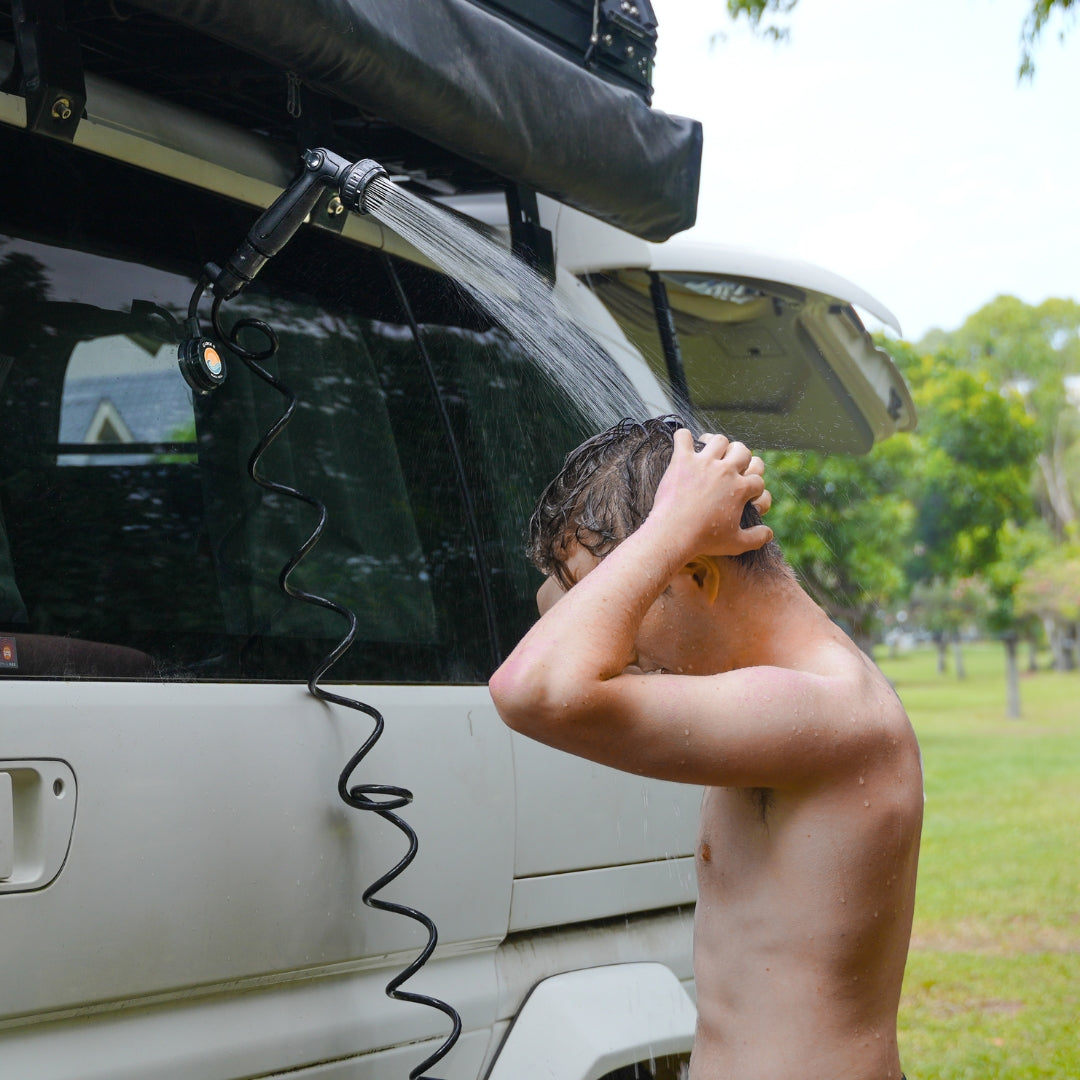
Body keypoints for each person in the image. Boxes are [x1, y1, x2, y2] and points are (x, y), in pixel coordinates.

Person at [488, 416, 922, 1080]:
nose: (622, 646)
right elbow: (559, 610)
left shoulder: (827, 711)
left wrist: (665, 528)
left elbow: (529, 690)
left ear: (692, 570)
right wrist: (669, 528)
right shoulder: (776, 697)